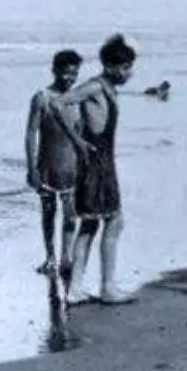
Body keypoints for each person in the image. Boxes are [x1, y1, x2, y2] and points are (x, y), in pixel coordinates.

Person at [47, 34, 138, 305]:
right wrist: (77, 142)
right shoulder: (95, 87)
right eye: (124, 68)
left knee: (90, 224)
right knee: (113, 221)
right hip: (96, 165)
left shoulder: (107, 89)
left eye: (129, 68)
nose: (128, 73)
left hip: (101, 162)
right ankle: (106, 287)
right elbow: (57, 103)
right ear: (110, 66)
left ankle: (76, 288)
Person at [24, 50, 88, 279]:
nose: (70, 78)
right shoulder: (42, 98)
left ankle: (66, 257)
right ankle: (50, 257)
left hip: (71, 166)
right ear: (55, 71)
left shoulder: (78, 99)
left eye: (74, 74)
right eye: (66, 73)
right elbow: (31, 135)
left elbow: (82, 135)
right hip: (47, 166)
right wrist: (31, 168)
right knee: (48, 213)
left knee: (71, 215)